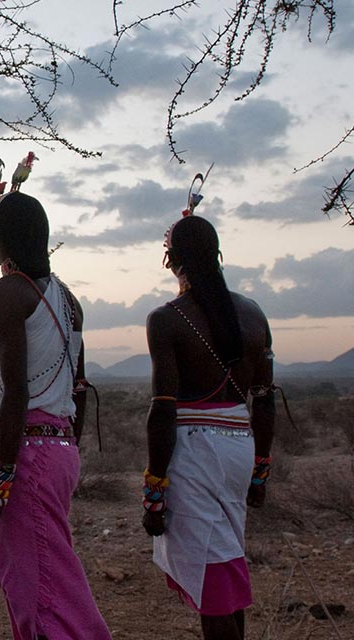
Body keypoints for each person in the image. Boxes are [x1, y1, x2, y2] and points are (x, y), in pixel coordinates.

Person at [0, 175, 111, 640]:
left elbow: (16, 394)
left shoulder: (8, 293)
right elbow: (80, 388)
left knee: (41, 591)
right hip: (58, 449)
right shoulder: (68, 300)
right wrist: (69, 447)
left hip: (28, 454)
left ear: (2, 239)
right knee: (41, 575)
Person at [143, 213, 275, 640]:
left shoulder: (166, 319)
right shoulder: (254, 314)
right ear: (217, 254)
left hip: (194, 454)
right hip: (239, 448)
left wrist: (154, 490)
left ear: (172, 261)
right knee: (225, 563)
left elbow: (162, 410)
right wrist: (260, 470)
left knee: (213, 577)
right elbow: (265, 399)